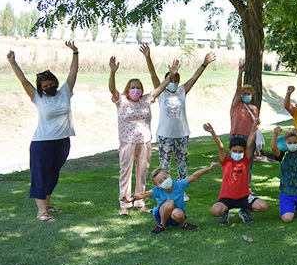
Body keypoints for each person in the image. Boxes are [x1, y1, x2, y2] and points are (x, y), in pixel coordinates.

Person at [7, 41, 79, 222]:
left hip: (63, 141)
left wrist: (75, 53)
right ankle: (41, 212)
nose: (49, 87)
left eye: (51, 84)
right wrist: (13, 62)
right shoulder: (38, 98)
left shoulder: (64, 92)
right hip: (42, 143)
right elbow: (23, 80)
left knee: (53, 174)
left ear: (56, 82)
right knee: (40, 175)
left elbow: (73, 73)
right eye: (45, 86)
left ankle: (47, 205)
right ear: (41, 89)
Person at [141, 44, 216, 201]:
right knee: (164, 165)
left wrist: (204, 63)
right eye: (171, 79)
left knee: (182, 165)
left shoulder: (182, 90)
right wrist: (148, 56)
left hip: (182, 134)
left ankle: (181, 192)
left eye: (176, 80)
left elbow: (194, 78)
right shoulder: (160, 92)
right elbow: (153, 75)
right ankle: (165, 191)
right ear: (167, 80)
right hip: (164, 135)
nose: (174, 82)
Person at [109, 55, 172, 216]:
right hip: (127, 142)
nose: (135, 90)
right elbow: (111, 89)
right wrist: (112, 72)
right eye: (132, 87)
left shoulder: (145, 100)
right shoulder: (121, 100)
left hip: (144, 141)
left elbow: (159, 90)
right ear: (127, 90)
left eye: (138, 88)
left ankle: (140, 202)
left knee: (142, 171)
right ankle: (124, 204)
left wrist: (170, 76)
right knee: (125, 171)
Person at [204, 120, 269, 224]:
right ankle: (225, 213)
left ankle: (244, 211)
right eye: (235, 151)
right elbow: (220, 147)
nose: (237, 153)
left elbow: (249, 143)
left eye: (240, 152)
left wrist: (254, 128)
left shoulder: (245, 161)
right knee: (215, 211)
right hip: (227, 198)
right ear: (230, 150)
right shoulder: (226, 161)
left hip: (244, 197)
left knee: (263, 206)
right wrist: (212, 132)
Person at [131, 161, 217, 234]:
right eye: (160, 182)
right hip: (162, 214)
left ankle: (183, 224)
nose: (164, 181)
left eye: (165, 178)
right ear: (158, 185)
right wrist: (132, 198)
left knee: (177, 212)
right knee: (169, 202)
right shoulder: (157, 190)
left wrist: (208, 168)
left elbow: (194, 176)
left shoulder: (179, 185)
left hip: (176, 214)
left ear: (170, 175)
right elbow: (145, 194)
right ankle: (161, 225)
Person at [229, 59, 259, 190]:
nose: (246, 95)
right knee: (234, 162)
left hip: (249, 138)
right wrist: (240, 73)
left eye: (249, 93)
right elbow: (237, 88)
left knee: (248, 162)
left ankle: (247, 185)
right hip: (236, 136)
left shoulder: (254, 109)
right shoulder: (236, 104)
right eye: (244, 93)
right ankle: (233, 184)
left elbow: (255, 126)